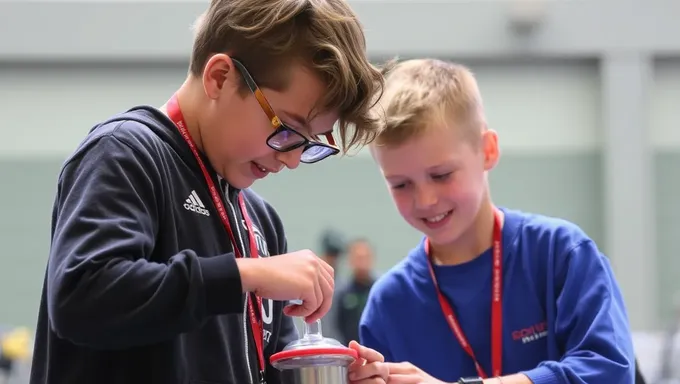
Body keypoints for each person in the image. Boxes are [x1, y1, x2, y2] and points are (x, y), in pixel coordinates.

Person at [28, 1, 389, 383]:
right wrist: (243, 275)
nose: (292, 160)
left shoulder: (261, 222)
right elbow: (80, 299)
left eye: (309, 143)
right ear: (220, 78)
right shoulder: (125, 154)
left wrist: (328, 376)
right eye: (286, 130)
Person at [358, 58, 636, 384]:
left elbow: (609, 371)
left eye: (442, 174)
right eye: (401, 184)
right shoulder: (390, 304)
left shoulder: (559, 254)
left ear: (487, 151)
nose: (425, 200)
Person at [336, 238, 376, 345]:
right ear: (351, 260)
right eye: (358, 258)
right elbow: (337, 326)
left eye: (365, 257)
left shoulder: (379, 291)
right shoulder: (342, 292)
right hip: (351, 352)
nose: (362, 262)